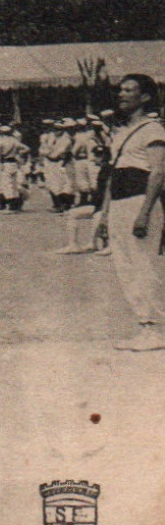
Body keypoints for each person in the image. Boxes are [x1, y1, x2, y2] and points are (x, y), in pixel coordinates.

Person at [94, 75, 165, 352]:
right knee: (124, 266)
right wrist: (104, 215)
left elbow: (158, 173)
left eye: (129, 90)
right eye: (120, 90)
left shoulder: (153, 130)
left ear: (145, 97)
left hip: (140, 201)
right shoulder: (121, 132)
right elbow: (113, 176)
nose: (121, 94)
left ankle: (154, 328)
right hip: (120, 204)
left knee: (142, 265)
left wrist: (145, 212)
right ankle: (143, 325)